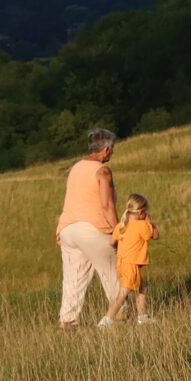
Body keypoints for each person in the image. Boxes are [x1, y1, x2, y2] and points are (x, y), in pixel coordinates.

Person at [56, 128, 123, 329]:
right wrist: (118, 231)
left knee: (73, 279)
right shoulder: (102, 171)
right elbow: (106, 205)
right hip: (92, 229)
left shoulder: (75, 167)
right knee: (113, 273)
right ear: (106, 150)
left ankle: (68, 321)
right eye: (112, 149)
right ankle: (119, 315)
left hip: (68, 230)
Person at [105, 194, 159, 325]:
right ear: (141, 213)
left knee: (143, 287)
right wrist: (150, 222)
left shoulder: (121, 225)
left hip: (122, 263)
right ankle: (106, 320)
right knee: (123, 294)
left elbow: (112, 242)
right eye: (145, 212)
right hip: (131, 265)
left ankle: (142, 317)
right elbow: (156, 236)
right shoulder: (142, 225)